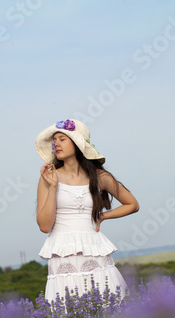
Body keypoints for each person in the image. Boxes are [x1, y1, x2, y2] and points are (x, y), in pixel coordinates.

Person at [35, 119, 139, 304]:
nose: (56, 144)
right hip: (62, 253)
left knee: (108, 307)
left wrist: (102, 216)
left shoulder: (100, 177)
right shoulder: (48, 178)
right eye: (54, 140)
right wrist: (52, 187)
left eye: (62, 139)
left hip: (95, 250)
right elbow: (44, 226)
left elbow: (132, 204)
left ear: (78, 144)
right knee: (69, 315)